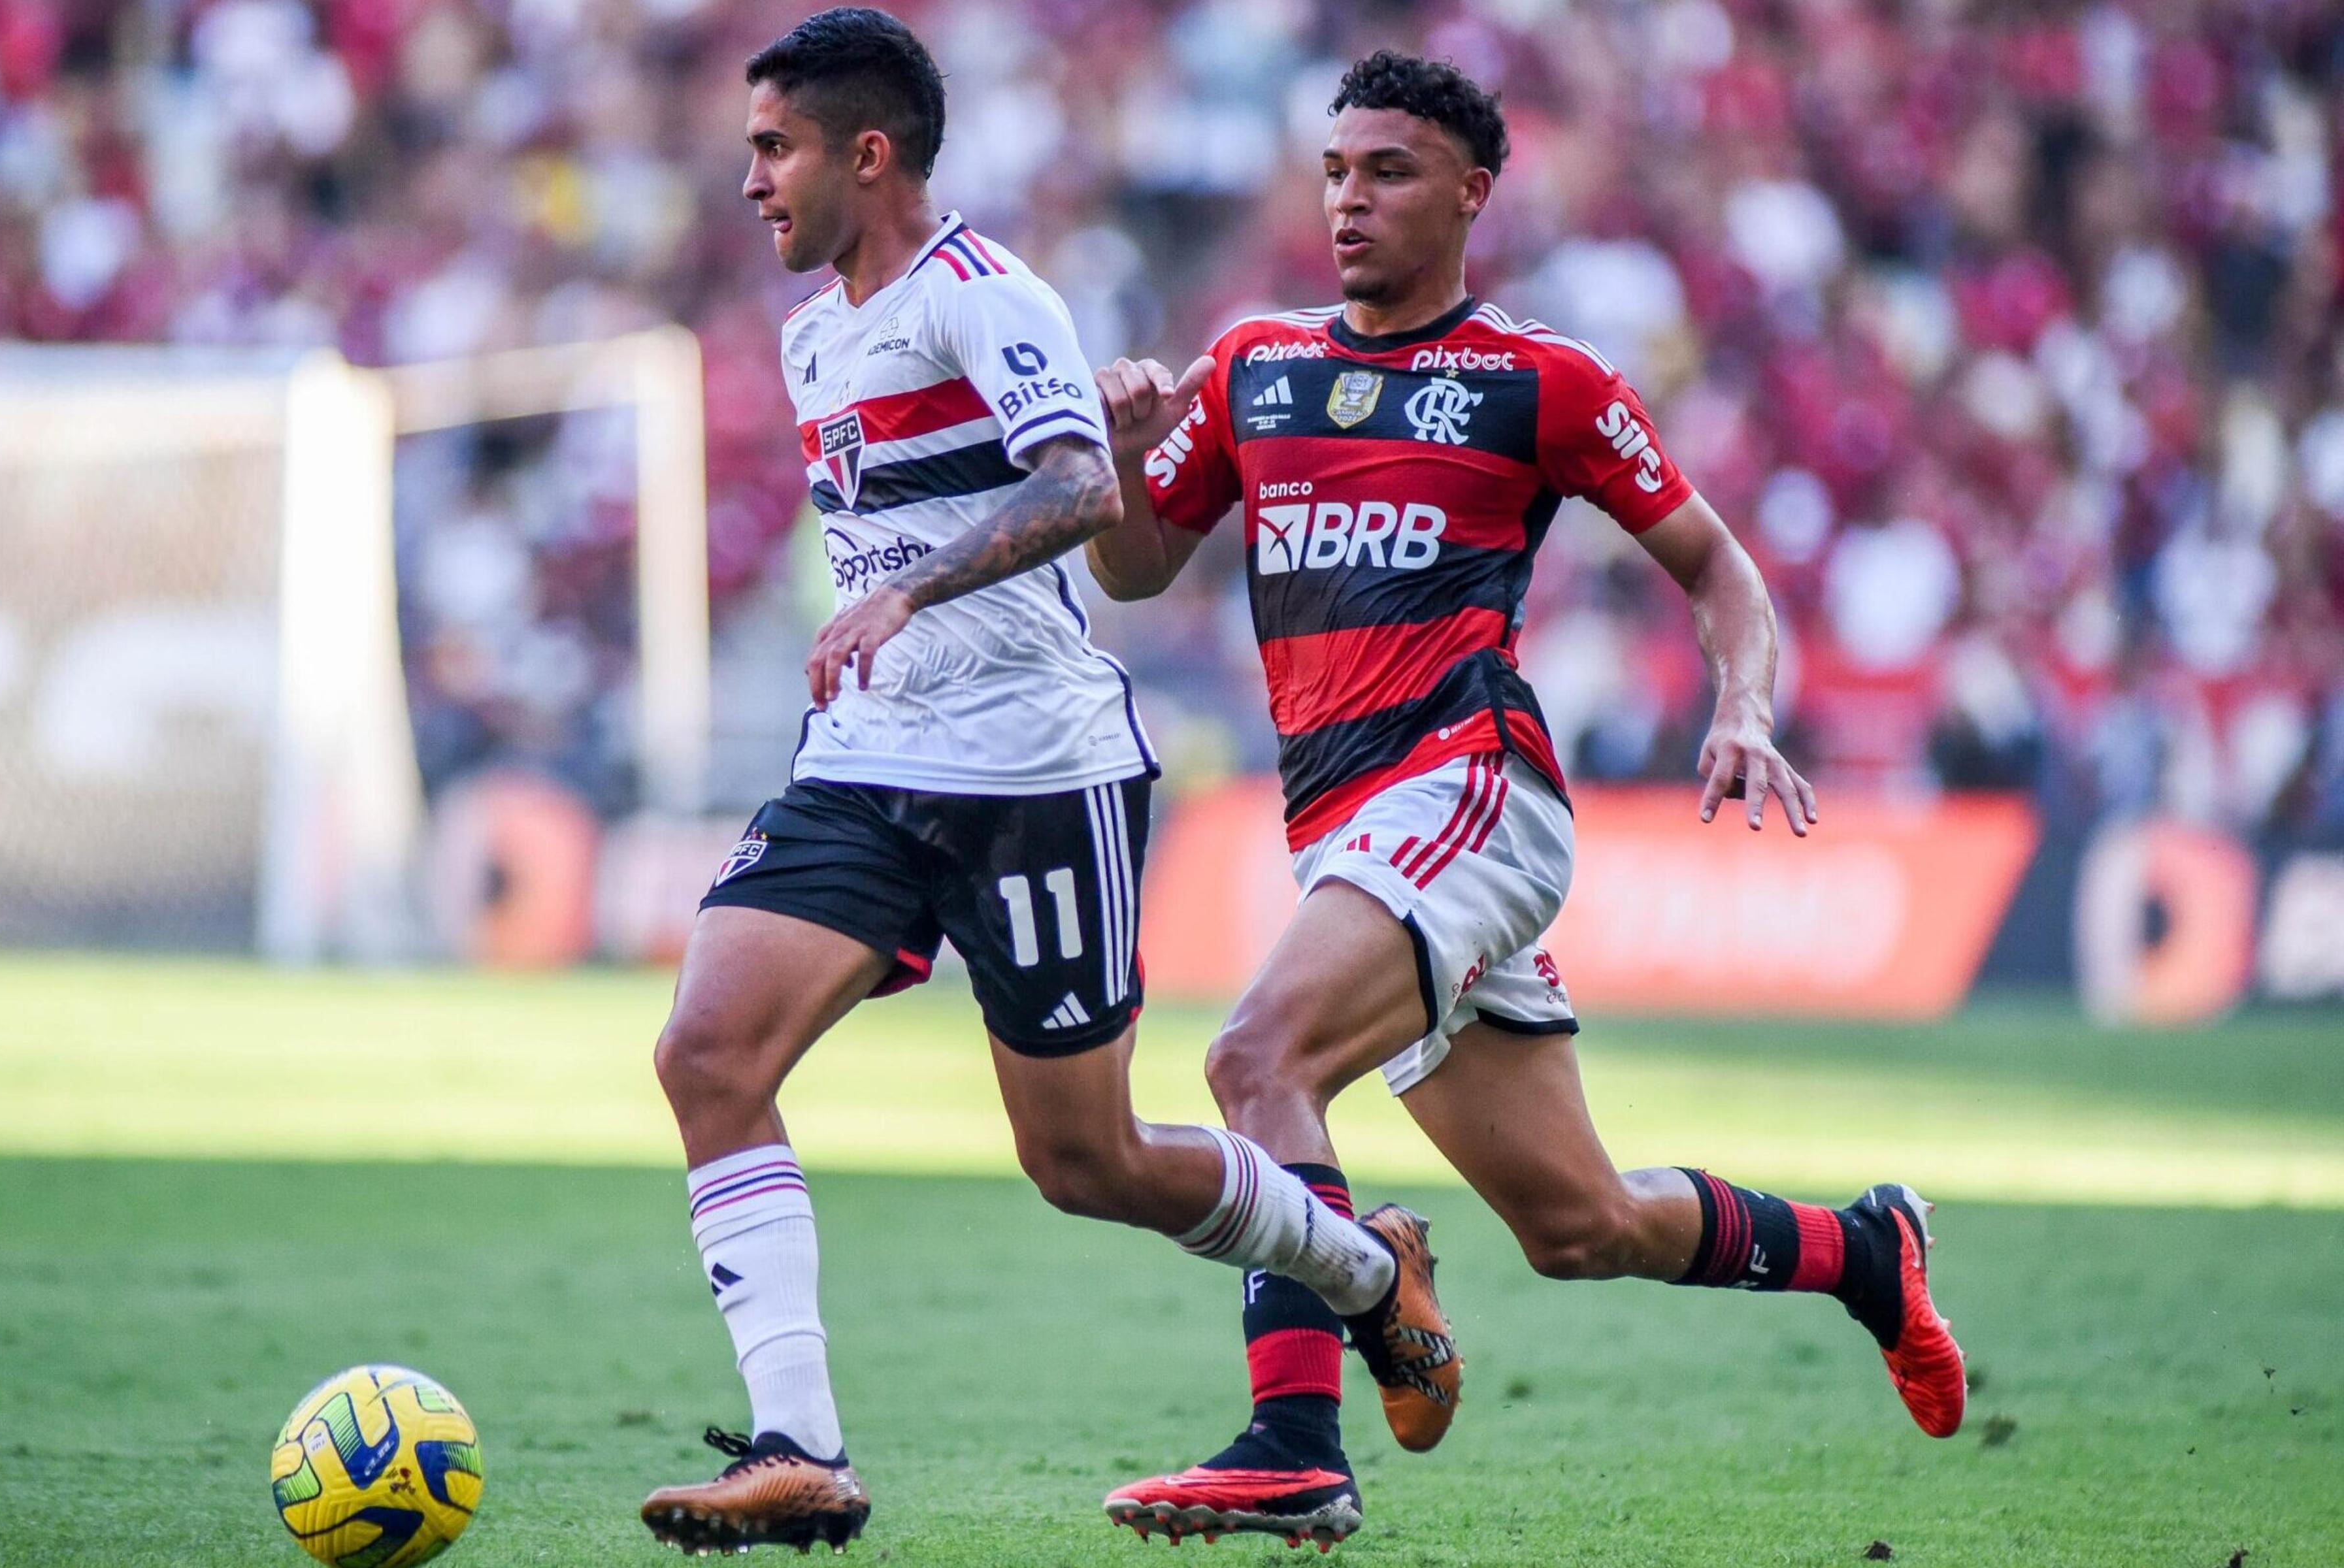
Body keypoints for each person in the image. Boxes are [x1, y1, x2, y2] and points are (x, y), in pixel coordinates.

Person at [1085, 49, 1967, 1548]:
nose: (1351, 199)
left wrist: (1743, 703)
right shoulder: (1252, 366)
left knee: (1257, 1059)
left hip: (1474, 792)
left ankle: (1295, 1437)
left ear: (1472, 193)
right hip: (1348, 832)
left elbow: (1718, 570)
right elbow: (1134, 565)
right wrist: (1117, 449)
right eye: (1337, 171)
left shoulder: (1537, 380)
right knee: (1580, 1227)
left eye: (1391, 172)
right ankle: (1865, 1253)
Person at [636, 13, 1447, 1556]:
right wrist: (891, 622)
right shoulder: (813, 333)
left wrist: (907, 595)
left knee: (1085, 1161)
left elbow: (1084, 487)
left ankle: (1364, 1267)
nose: (752, 180)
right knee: (706, 1053)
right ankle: (803, 1447)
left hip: (1035, 772)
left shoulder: (987, 295)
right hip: (869, 764)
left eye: (775, 148)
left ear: (865, 154)